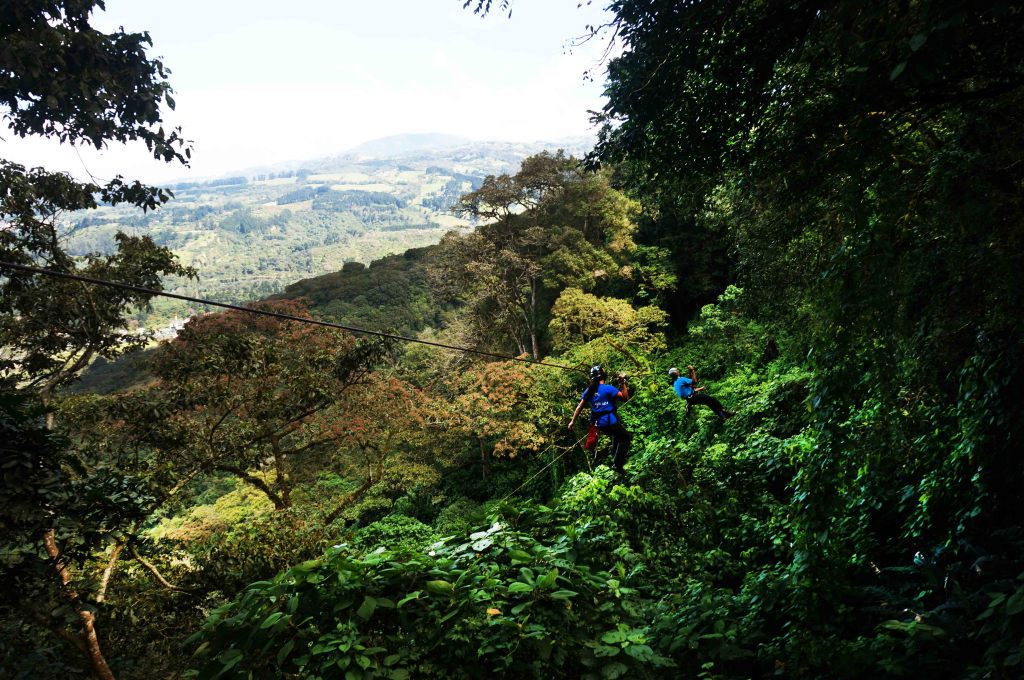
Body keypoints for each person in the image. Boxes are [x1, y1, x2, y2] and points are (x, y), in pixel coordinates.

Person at [568, 365, 632, 474]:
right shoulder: (608, 388)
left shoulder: (589, 391)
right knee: (626, 438)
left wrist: (572, 421)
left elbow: (579, 407)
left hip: (600, 424)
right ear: (603, 375)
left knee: (617, 434)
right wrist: (622, 383)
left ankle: (614, 452)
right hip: (610, 421)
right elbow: (625, 397)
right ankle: (617, 464)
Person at [669, 365, 734, 419]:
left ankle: (722, 416)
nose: (678, 371)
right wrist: (692, 370)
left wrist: (700, 389)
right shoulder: (681, 380)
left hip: (689, 399)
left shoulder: (675, 384)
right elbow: (694, 381)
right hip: (692, 397)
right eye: (677, 370)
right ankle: (726, 413)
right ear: (676, 373)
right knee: (711, 399)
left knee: (708, 402)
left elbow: (688, 391)